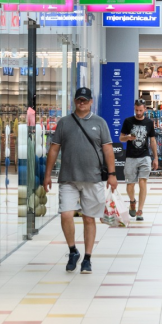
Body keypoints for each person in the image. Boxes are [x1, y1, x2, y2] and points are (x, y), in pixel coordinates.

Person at [44, 87, 117, 275]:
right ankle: (72, 251)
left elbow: (108, 149)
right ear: (74, 101)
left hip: (93, 178)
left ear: (91, 102)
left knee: (89, 218)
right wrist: (47, 175)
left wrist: (112, 174)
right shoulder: (64, 123)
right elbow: (54, 149)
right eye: (79, 100)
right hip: (68, 178)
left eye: (85, 100)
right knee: (66, 215)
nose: (81, 103)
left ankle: (87, 258)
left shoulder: (100, 123)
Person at [120, 98, 158, 222]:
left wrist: (155, 158)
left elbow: (152, 140)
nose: (138, 112)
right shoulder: (128, 121)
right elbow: (121, 138)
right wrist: (127, 137)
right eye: (136, 110)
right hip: (131, 156)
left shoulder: (149, 123)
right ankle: (132, 201)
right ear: (134, 108)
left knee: (143, 182)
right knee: (130, 184)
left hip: (144, 156)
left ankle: (140, 210)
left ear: (145, 109)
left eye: (141, 110)